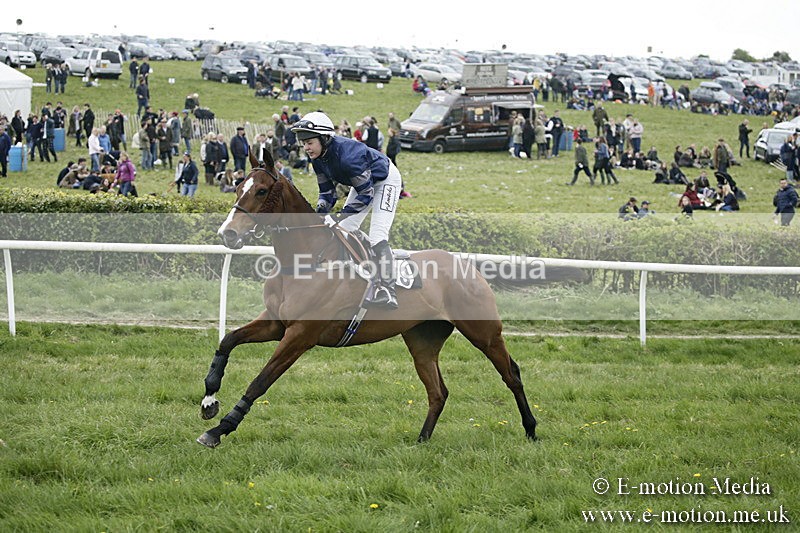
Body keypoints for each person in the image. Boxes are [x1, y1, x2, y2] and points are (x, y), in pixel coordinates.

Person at [292, 111, 403, 309]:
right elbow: (327, 192)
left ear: (324, 138)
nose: (305, 148)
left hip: (385, 180)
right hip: (363, 184)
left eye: (309, 142)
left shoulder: (348, 157)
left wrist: (337, 215)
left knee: (377, 235)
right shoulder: (317, 158)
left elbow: (366, 195)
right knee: (344, 228)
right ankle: (361, 274)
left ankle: (388, 289)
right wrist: (321, 212)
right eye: (303, 143)